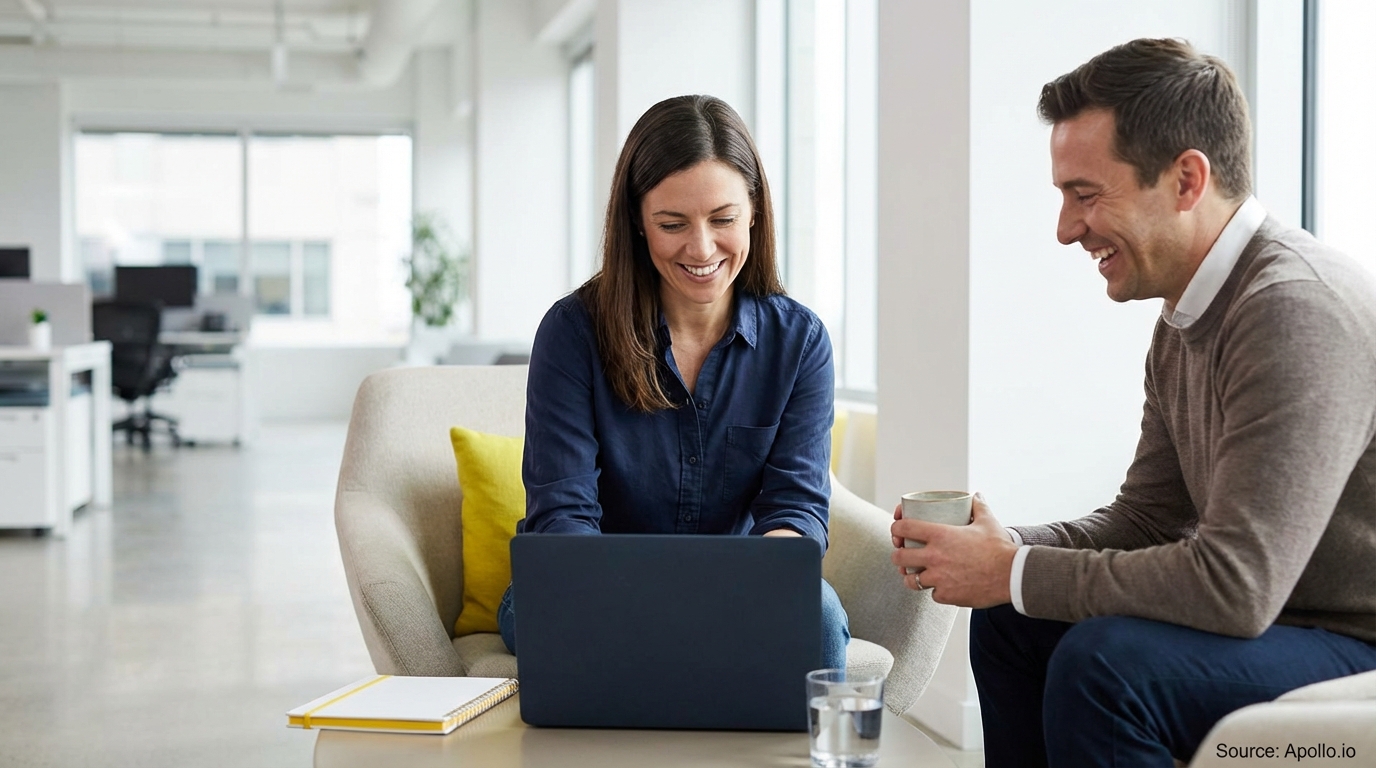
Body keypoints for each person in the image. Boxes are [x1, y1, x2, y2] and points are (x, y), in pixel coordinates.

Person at [889, 38, 1376, 767]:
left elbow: (1235, 585)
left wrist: (1012, 570)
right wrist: (1005, 553)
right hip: (1277, 623)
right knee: (1010, 619)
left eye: (1085, 195)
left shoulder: (1293, 309)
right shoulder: (1185, 319)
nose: (1065, 229)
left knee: (1104, 665)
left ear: (1185, 179)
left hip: (1349, 640)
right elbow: (1147, 519)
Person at [498, 94, 849, 670]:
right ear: (637, 222)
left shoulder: (800, 342)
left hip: (741, 587)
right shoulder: (572, 332)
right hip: (592, 583)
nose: (702, 248)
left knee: (821, 622)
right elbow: (563, 515)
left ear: (755, 213)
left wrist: (755, 590)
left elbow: (796, 510)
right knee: (555, 616)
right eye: (672, 224)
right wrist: (650, 603)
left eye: (724, 219)